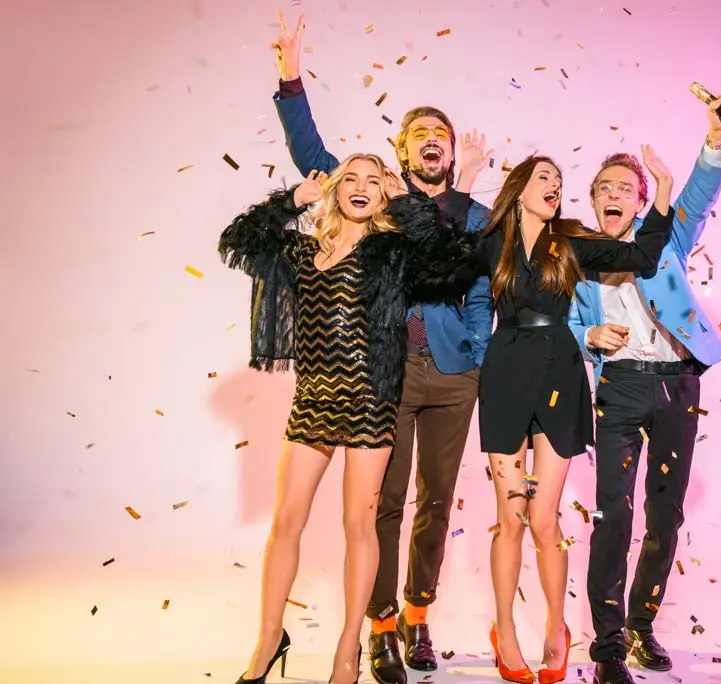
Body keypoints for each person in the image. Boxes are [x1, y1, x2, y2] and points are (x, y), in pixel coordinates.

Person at [268, 14, 494, 684]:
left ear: (451, 151)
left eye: (440, 135)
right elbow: (312, 153)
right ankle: (382, 626)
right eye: (419, 133)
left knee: (437, 500)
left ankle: (419, 614)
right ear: (401, 151)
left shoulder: (475, 212)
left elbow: (478, 284)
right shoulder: (379, 197)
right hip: (385, 372)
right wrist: (290, 80)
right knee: (382, 504)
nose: (431, 141)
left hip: (453, 371)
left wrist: (478, 354)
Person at [218, 154, 477, 684]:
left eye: (373, 181)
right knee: (286, 521)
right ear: (336, 190)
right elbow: (238, 241)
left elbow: (452, 262)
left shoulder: (394, 254)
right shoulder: (301, 251)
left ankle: (348, 648)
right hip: (313, 399)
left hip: (370, 402)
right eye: (350, 179)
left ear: (383, 195)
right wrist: (292, 201)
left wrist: (411, 205)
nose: (360, 187)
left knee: (359, 525)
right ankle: (269, 638)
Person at [453, 149, 674, 684]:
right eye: (543, 176)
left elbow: (643, 258)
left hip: (559, 377)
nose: (554, 183)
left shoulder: (570, 240)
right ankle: (505, 631)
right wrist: (465, 180)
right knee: (510, 517)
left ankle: (556, 629)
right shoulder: (492, 242)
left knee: (543, 518)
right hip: (505, 377)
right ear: (519, 190)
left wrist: (663, 195)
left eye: (558, 177)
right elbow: (443, 259)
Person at [567, 96, 721, 684]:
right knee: (611, 514)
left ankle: (641, 625)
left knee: (665, 513)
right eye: (604, 188)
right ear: (593, 201)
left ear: (641, 202)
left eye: (625, 187)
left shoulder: (666, 239)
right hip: (617, 387)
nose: (614, 194)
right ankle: (608, 647)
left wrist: (714, 142)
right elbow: (566, 323)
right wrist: (589, 334)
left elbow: (697, 196)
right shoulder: (579, 256)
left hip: (675, 384)